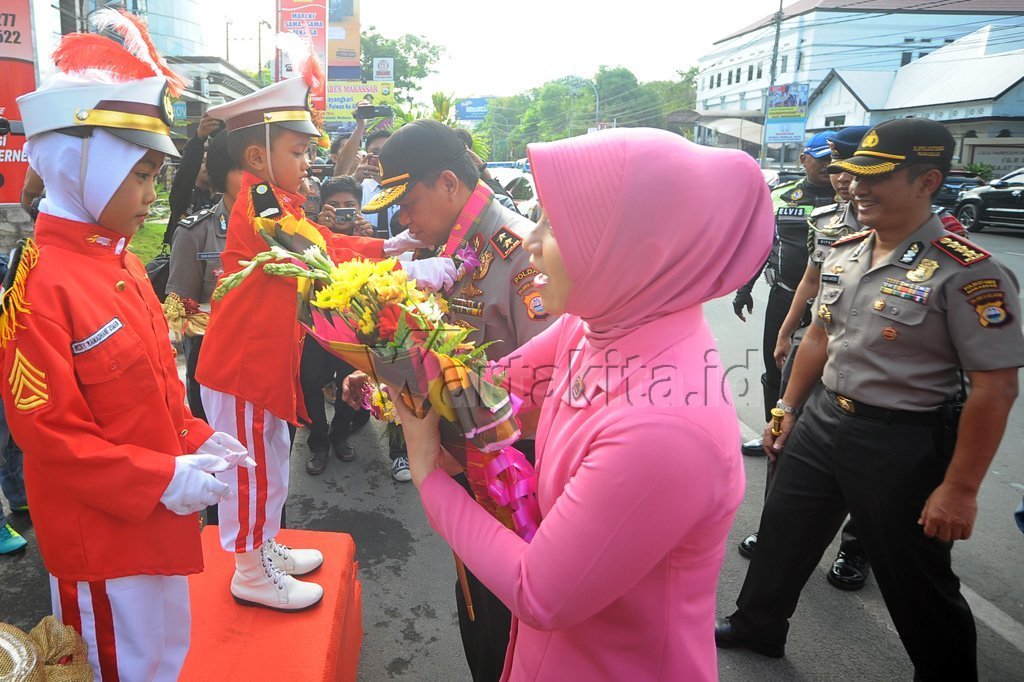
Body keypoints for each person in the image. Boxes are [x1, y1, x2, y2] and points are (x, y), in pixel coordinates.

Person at [386, 127, 773, 680]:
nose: (528, 240)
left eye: (554, 225)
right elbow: (490, 390)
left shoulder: (664, 428)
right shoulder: (595, 324)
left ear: (631, 247)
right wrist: (389, 365)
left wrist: (427, 470)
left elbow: (539, 592)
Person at [716, 118, 1024, 681]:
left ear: (928, 180)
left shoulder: (969, 273)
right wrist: (786, 408)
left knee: (913, 574)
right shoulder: (846, 248)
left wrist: (959, 488)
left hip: (902, 442)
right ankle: (758, 626)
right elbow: (818, 335)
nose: (856, 186)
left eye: (876, 176)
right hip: (823, 420)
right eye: (854, 174)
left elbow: (996, 386)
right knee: (783, 532)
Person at [6, 13, 251, 679]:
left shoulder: (123, 266)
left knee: (163, 658)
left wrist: (197, 436)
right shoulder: (41, 284)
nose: (152, 196)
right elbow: (49, 432)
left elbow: (156, 387)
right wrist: (163, 477)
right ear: (79, 164)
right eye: (140, 175)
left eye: (154, 177)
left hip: (153, 519)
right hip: (101, 538)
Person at [196, 68, 450, 610]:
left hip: (263, 365)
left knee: (271, 460)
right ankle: (249, 570)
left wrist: (390, 248)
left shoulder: (278, 202)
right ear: (259, 158)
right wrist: (405, 270)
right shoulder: (258, 205)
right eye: (298, 150)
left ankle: (265, 547)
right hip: (241, 368)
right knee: (248, 469)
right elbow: (317, 253)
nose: (309, 160)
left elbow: (325, 240)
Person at [359, 119, 560, 679]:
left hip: (517, 472)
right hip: (469, 464)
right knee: (478, 607)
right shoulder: (453, 245)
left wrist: (446, 416)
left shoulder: (518, 250)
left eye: (408, 201)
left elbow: (554, 391)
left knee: (507, 625)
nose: (400, 218)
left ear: (449, 183)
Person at [738, 126, 873, 592]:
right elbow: (809, 282)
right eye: (836, 168)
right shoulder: (824, 217)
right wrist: (786, 331)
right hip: (812, 337)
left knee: (864, 462)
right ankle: (778, 529)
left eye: (853, 169)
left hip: (868, 364)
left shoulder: (922, 234)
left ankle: (855, 547)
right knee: (783, 427)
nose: (843, 178)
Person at [733, 131, 839, 457]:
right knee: (774, 366)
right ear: (803, 159)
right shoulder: (780, 195)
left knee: (824, 375)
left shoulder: (852, 200)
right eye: (821, 159)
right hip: (783, 295)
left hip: (831, 304)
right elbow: (763, 246)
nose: (829, 166)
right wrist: (745, 288)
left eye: (834, 160)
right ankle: (773, 434)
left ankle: (810, 443)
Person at [164, 129, 239, 423]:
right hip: (214, 362)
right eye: (248, 166)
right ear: (223, 174)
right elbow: (179, 309)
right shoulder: (196, 232)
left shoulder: (282, 229)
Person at [301, 176, 372, 476]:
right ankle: (318, 441)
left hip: (353, 326)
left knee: (351, 381)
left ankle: (339, 435)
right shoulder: (310, 235)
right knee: (309, 380)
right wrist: (320, 229)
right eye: (336, 206)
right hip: (315, 324)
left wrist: (369, 238)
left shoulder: (370, 238)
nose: (343, 212)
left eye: (350, 206)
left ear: (359, 209)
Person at [165, 112, 222, 244]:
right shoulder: (183, 196)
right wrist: (199, 138)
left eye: (210, 161)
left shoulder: (221, 199)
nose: (207, 165)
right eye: (202, 161)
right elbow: (187, 167)